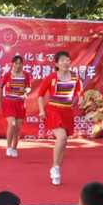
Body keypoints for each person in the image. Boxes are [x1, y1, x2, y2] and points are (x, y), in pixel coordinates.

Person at [37, 50, 84, 186]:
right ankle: (55, 167)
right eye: (62, 60)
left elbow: (80, 91)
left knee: (64, 142)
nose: (66, 62)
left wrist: (81, 99)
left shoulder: (75, 77)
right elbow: (40, 95)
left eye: (67, 60)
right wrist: (41, 111)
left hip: (67, 112)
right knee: (61, 137)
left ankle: (56, 168)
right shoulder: (52, 77)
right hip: (53, 111)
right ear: (57, 64)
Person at [0, 55, 32, 157]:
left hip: (20, 103)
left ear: (22, 65)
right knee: (12, 124)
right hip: (9, 102)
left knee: (17, 128)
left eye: (20, 63)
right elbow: (0, 88)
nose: (17, 65)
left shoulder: (25, 75)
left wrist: (25, 90)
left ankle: (14, 148)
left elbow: (29, 87)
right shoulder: (7, 75)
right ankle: (8, 146)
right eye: (15, 63)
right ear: (12, 64)